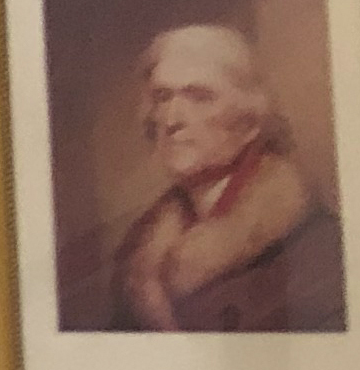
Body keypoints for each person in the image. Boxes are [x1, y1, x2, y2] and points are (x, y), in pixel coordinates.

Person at [68, 22, 343, 334]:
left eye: (199, 96)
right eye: (162, 97)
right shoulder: (137, 252)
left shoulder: (316, 246)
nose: (171, 120)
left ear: (250, 122)